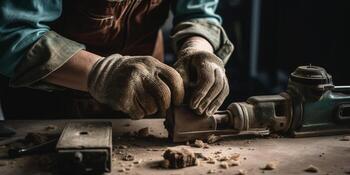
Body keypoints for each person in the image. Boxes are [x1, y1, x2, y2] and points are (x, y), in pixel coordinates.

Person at [0, 0, 233, 119]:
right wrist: (102, 72)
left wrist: (198, 48)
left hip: (150, 92)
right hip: (49, 102)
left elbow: (198, 11)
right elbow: (11, 33)